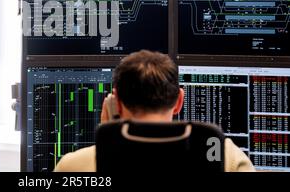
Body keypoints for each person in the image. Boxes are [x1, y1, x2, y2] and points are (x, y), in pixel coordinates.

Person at [54, 50, 255, 172]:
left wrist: (111, 137)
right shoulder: (226, 155)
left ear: (117, 103)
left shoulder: (73, 166)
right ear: (179, 101)